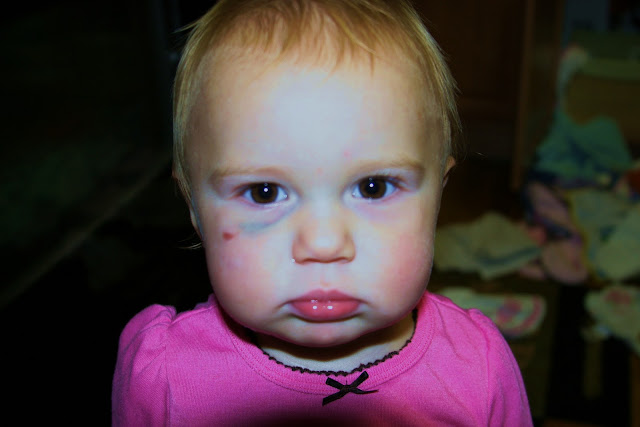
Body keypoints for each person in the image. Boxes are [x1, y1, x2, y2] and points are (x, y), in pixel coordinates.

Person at [112, 0, 533, 425]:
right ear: (194, 207)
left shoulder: (478, 371)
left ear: (438, 195)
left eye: (373, 187)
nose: (324, 244)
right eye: (263, 192)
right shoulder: (163, 378)